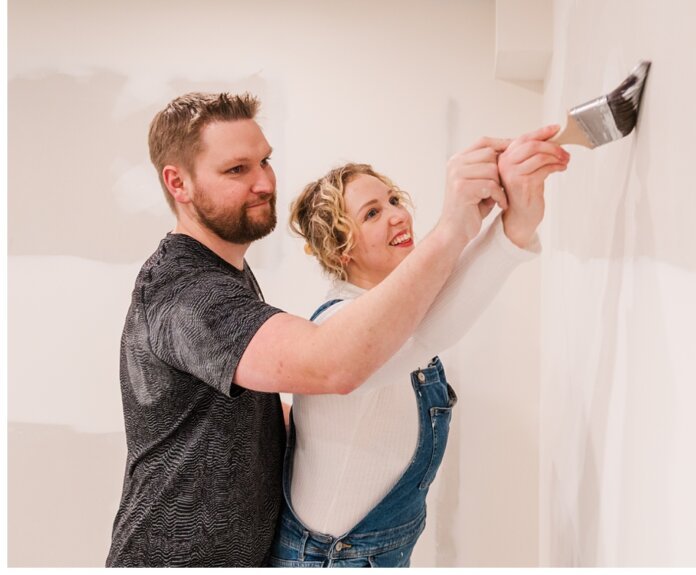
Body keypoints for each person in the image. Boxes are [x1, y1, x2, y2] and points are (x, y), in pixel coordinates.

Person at [106, 91, 562, 567]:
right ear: (178, 183)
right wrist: (459, 228)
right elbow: (336, 362)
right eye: (237, 169)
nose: (263, 182)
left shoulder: (226, 275)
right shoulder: (187, 292)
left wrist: (512, 229)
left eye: (265, 161)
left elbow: (405, 335)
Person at [268, 126, 568, 567]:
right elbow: (429, 330)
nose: (397, 215)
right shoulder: (338, 327)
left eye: (392, 200)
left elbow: (436, 302)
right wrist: (492, 229)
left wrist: (515, 222)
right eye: (371, 213)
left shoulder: (395, 314)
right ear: (341, 250)